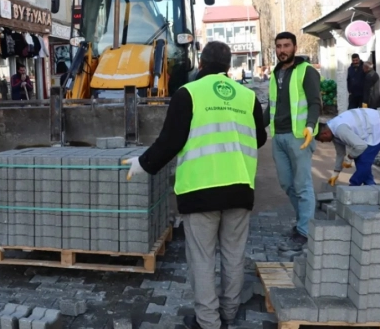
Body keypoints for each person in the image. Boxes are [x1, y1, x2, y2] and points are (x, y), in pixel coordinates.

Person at [124, 41, 267, 329]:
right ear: (228, 66)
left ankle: (208, 322)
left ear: (200, 63)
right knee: (233, 254)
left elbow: (171, 140)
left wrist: (143, 163)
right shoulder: (247, 96)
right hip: (240, 188)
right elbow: (260, 138)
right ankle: (229, 312)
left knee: (202, 259)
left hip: (200, 191)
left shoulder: (187, 93)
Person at [264, 32, 321, 252]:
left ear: (295, 47)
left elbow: (315, 102)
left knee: (303, 185)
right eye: (278, 46)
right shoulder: (276, 73)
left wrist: (310, 126)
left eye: (286, 45)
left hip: (299, 137)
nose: (282, 50)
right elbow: (272, 106)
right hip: (279, 136)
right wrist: (256, 127)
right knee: (287, 184)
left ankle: (306, 231)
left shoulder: (306, 71)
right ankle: (302, 224)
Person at [316, 108, 380, 186]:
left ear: (325, 134)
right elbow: (340, 154)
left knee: (364, 158)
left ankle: (353, 186)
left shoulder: (340, 130)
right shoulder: (332, 131)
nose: (323, 142)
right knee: (358, 156)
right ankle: (370, 184)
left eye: (321, 140)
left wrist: (349, 157)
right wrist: (336, 173)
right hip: (371, 124)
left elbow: (361, 146)